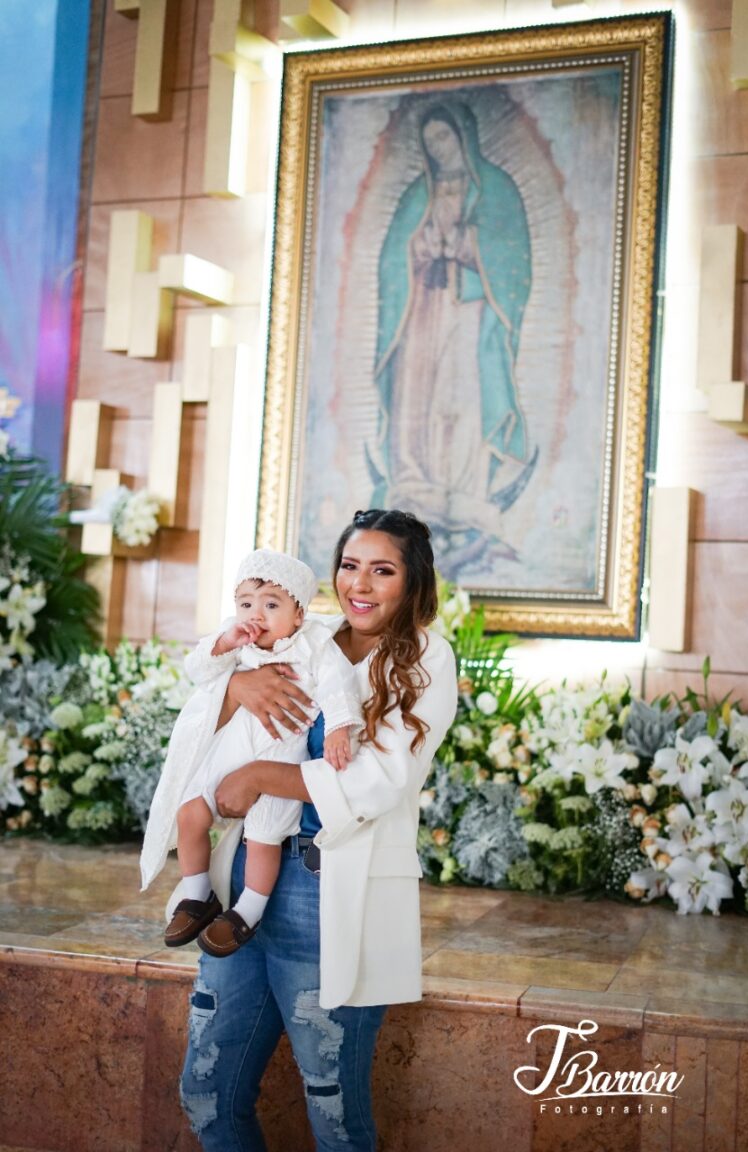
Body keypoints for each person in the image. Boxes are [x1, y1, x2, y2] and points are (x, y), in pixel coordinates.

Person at [179, 508, 457, 1151]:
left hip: (329, 891)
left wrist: (258, 778)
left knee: (333, 1114)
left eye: (382, 570)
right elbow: (204, 699)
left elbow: (383, 780)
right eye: (350, 565)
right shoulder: (307, 633)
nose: (360, 583)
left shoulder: (426, 659)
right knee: (205, 1095)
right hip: (247, 874)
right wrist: (236, 689)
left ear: (412, 582)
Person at [140, 548, 362, 957]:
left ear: (298, 614)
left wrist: (340, 728)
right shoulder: (237, 638)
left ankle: (247, 912)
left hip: (280, 751)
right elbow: (198, 670)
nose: (254, 614)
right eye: (245, 603)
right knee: (190, 811)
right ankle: (197, 895)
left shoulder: (313, 642)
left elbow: (337, 686)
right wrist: (226, 641)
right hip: (234, 744)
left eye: (271, 604)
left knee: (263, 837)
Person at [368, 102, 536, 574]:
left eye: (446, 139)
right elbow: (391, 260)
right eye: (431, 143)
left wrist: (466, 246)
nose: (439, 150)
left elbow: (513, 259)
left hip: (470, 313)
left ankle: (464, 492)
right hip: (421, 311)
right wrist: (419, 247)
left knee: (463, 398)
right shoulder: (415, 198)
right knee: (416, 399)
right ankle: (413, 485)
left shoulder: (496, 191)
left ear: (465, 137)